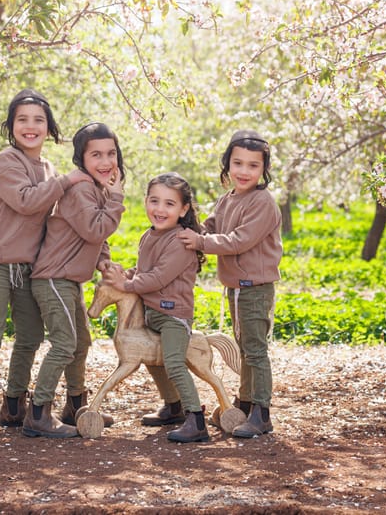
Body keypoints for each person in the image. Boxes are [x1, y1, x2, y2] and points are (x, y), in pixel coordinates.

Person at [0, 88, 89, 442]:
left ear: (49, 127)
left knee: (30, 336)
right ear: (11, 126)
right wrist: (67, 181)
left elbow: (55, 218)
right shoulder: (6, 161)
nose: (31, 126)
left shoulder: (48, 168)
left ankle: (14, 404)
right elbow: (26, 201)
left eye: (39, 120)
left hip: (29, 266)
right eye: (22, 120)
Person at [23, 122, 125, 438]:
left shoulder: (95, 189)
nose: (106, 162)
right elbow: (95, 229)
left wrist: (103, 260)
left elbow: (95, 237)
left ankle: (76, 406)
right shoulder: (81, 189)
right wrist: (117, 199)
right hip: (53, 279)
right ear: (81, 158)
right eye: (96, 155)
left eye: (111, 154)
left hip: (69, 281)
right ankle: (37, 413)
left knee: (81, 343)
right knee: (65, 344)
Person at [177, 130, 282, 438]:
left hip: (255, 288)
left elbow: (238, 241)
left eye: (253, 165)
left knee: (255, 350)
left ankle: (262, 413)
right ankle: (244, 403)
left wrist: (200, 242)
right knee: (245, 348)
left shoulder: (262, 202)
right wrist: (183, 223)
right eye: (238, 163)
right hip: (236, 287)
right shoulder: (228, 199)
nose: (244, 171)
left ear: (264, 169)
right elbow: (212, 226)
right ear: (227, 164)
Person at [101, 172, 209, 443]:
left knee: (173, 362)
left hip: (173, 315)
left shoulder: (180, 240)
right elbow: (145, 270)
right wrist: (127, 274)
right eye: (154, 201)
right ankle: (173, 406)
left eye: (169, 204)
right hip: (152, 313)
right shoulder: (148, 236)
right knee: (153, 362)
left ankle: (196, 419)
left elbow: (159, 277)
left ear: (183, 209)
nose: (160, 209)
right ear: (146, 201)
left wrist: (127, 286)